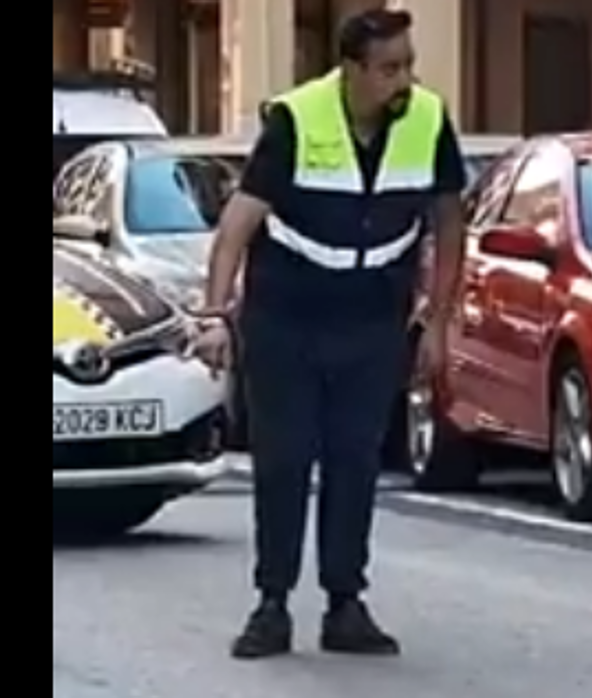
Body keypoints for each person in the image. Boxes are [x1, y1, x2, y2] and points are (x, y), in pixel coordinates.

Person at [190, 7, 468, 660]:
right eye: (388, 68)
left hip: (371, 321)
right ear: (351, 70)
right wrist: (213, 317)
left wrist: (438, 318)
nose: (402, 81)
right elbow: (236, 227)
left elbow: (449, 222)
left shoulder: (426, 119)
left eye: (408, 65)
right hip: (286, 319)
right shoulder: (295, 120)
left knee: (355, 460)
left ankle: (346, 603)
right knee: (284, 462)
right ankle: (272, 604)